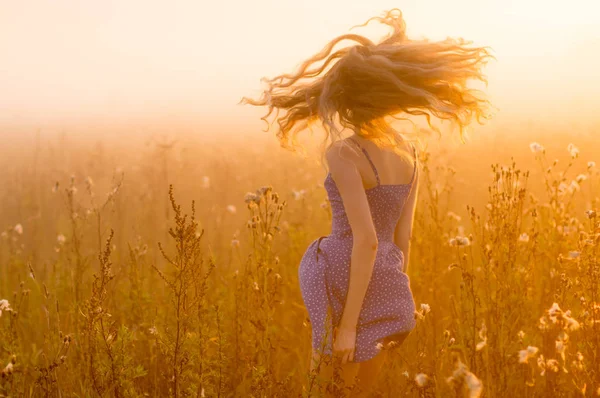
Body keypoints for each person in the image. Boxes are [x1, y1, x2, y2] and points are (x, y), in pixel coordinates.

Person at [241, 8, 491, 397]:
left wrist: (349, 326)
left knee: (325, 389)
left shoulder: (344, 154)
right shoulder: (410, 153)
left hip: (341, 278)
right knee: (360, 392)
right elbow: (401, 238)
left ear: (348, 100)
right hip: (387, 279)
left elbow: (367, 239)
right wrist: (391, 286)